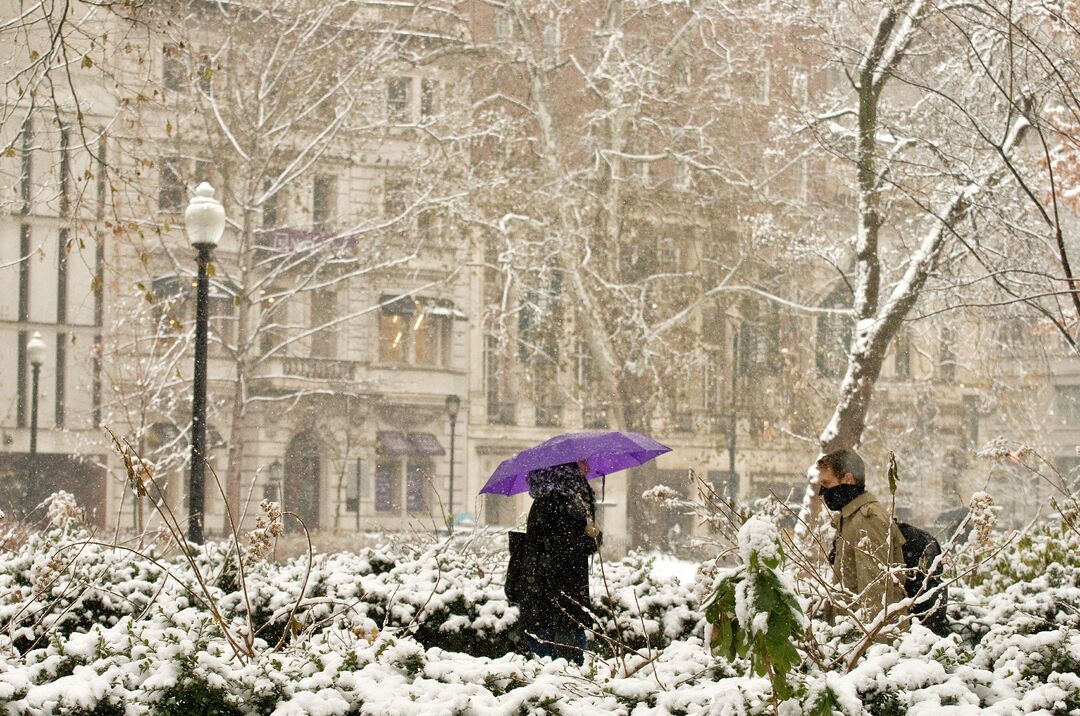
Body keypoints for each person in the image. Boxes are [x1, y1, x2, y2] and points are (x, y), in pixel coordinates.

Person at [516, 461, 601, 664]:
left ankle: (553, 678)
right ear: (568, 467)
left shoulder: (549, 498)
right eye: (582, 461)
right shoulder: (564, 500)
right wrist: (590, 538)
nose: (587, 466)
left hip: (543, 587)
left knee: (546, 643)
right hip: (560, 587)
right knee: (566, 652)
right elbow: (564, 546)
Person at [817, 449, 907, 619]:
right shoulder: (849, 518)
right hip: (852, 631)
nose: (822, 492)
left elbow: (876, 594)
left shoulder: (867, 519)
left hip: (868, 636)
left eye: (827, 484)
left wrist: (870, 644)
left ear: (848, 479)